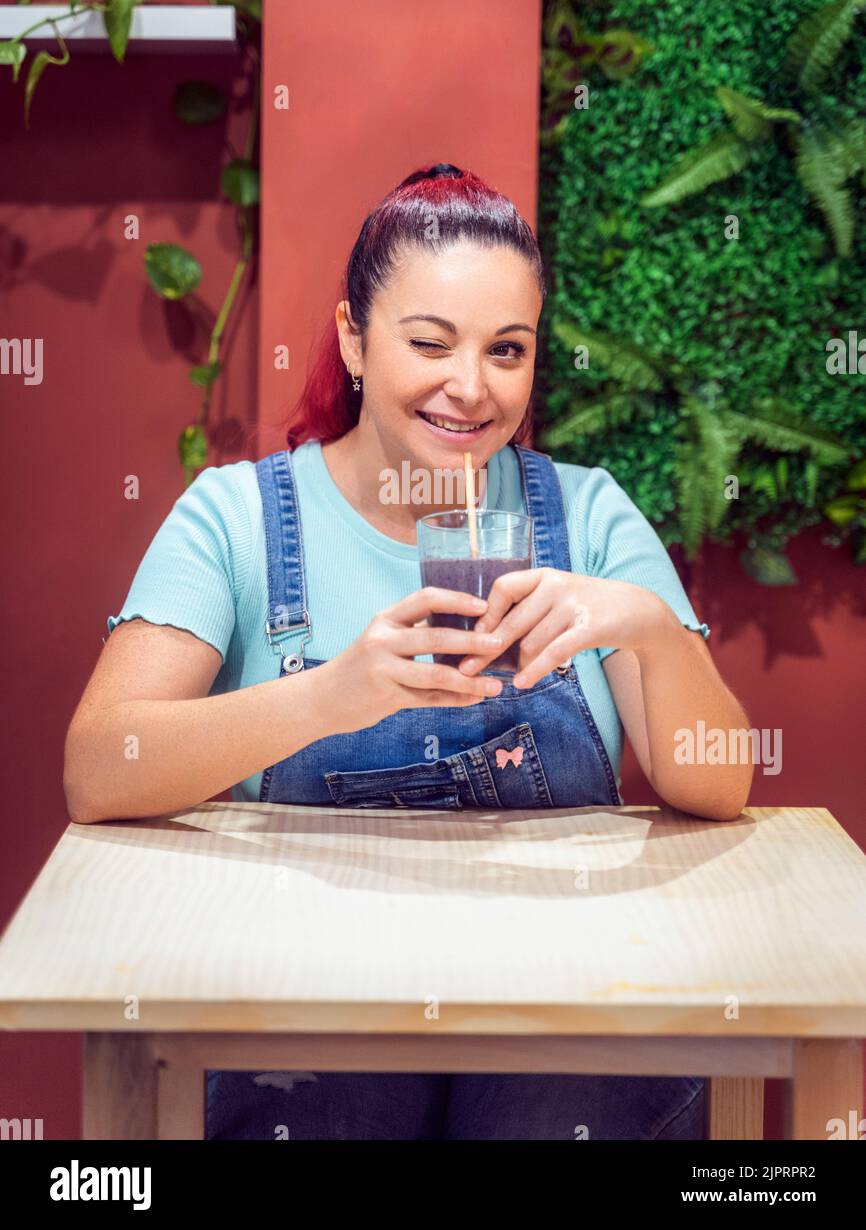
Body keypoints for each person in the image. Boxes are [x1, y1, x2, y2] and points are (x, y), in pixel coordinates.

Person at [65, 162, 753, 1139]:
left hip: (560, 1011)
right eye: (428, 343)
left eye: (506, 351)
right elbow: (98, 766)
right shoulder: (239, 519)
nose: (468, 389)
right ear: (352, 337)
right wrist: (326, 696)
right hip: (309, 1008)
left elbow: (718, 784)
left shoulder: (586, 513)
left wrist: (645, 625)